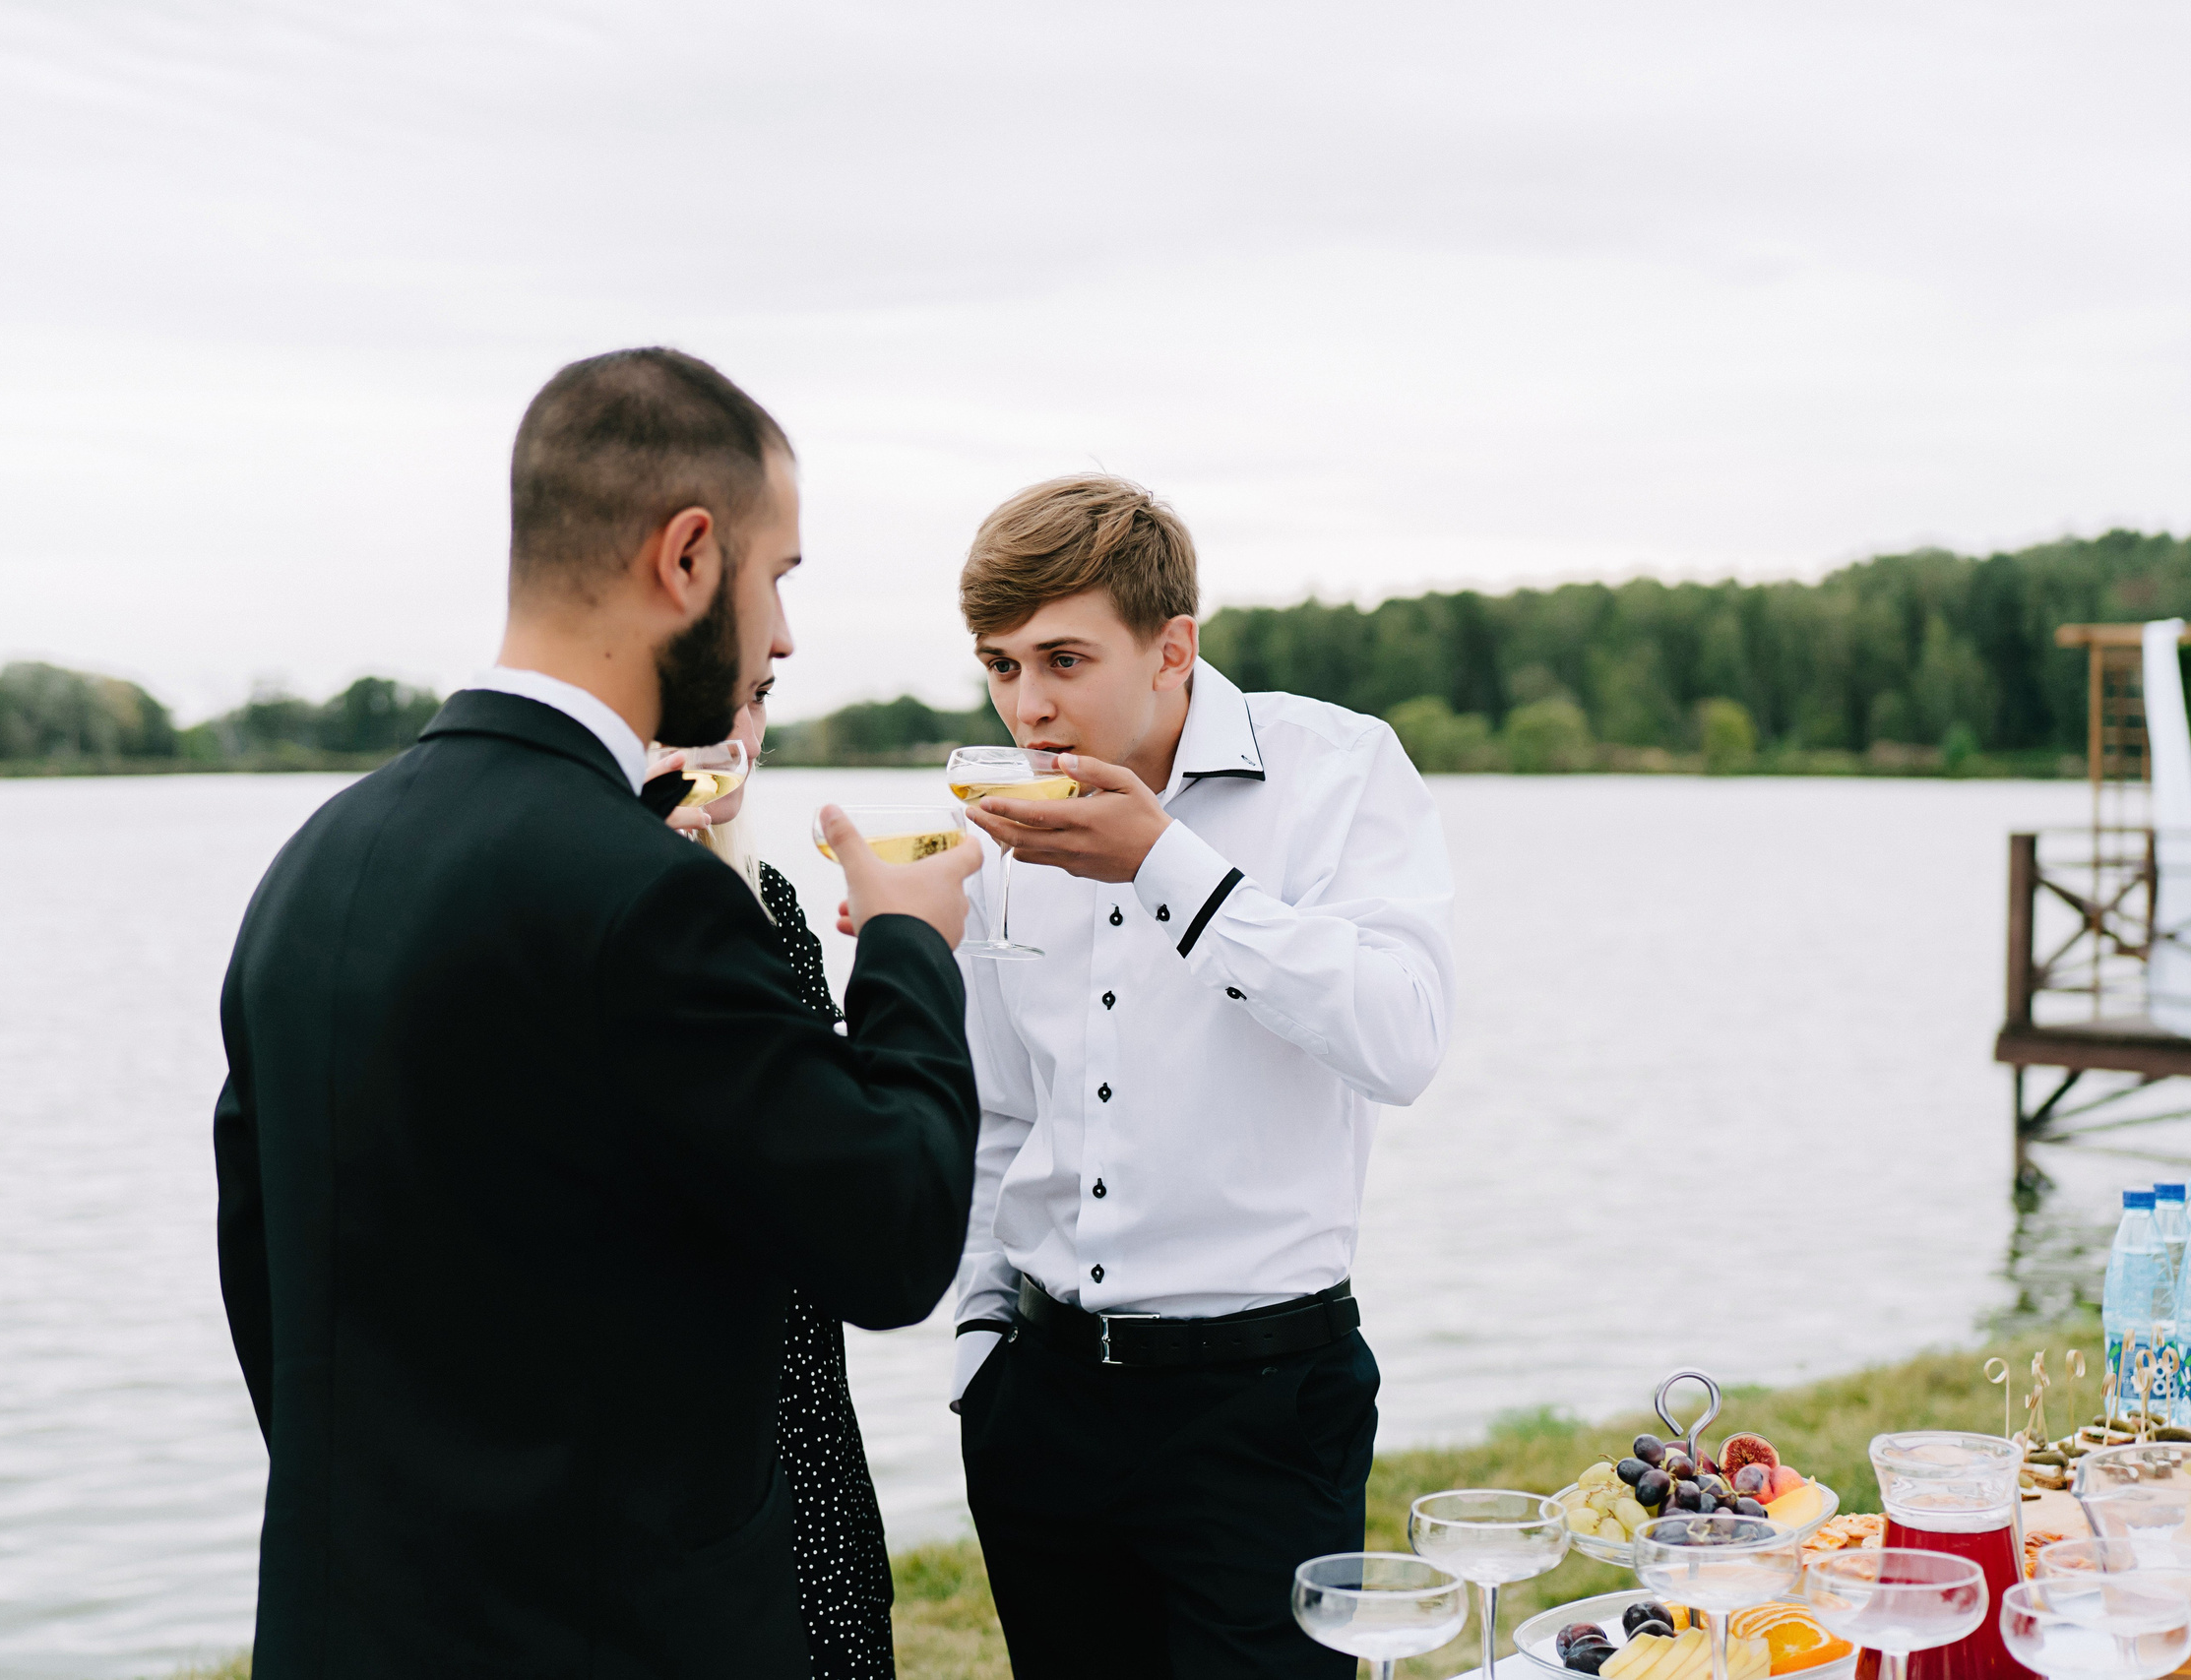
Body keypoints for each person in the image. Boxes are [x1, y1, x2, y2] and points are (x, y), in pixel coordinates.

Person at [212, 346, 983, 1678]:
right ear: (687, 558)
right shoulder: (642, 898)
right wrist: (912, 940)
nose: (784, 634)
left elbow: (262, 1272)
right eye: (776, 575)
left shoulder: (316, 861)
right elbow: (893, 1229)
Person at [945, 474, 1457, 1679]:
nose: (1028, 704)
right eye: (1001, 666)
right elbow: (997, 1112)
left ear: (1172, 648)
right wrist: (978, 1346)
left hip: (1263, 1408)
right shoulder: (997, 824)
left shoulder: (1338, 770)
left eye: (1063, 659)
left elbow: (1404, 1037)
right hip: (1042, 1400)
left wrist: (1166, 866)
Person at [658, 687, 899, 1680]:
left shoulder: (770, 905)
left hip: (800, 1414)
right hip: (675, 1445)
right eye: (696, 701)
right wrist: (903, 959)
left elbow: (842, 1178)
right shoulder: (589, 918)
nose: (733, 733)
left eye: (753, 696)